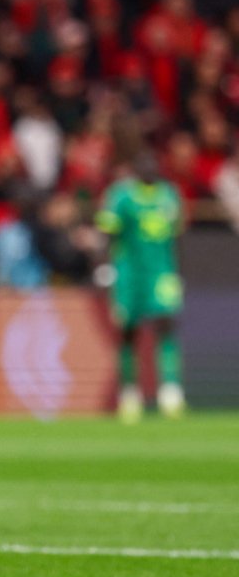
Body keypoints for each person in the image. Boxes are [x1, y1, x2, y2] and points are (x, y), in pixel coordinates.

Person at [96, 152, 186, 423]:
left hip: (161, 272)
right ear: (136, 169)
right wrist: (105, 267)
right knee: (127, 331)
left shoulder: (170, 195)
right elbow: (107, 233)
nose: (150, 166)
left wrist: (179, 273)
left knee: (166, 325)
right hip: (129, 274)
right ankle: (130, 393)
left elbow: (177, 238)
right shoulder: (121, 196)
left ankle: (170, 391)